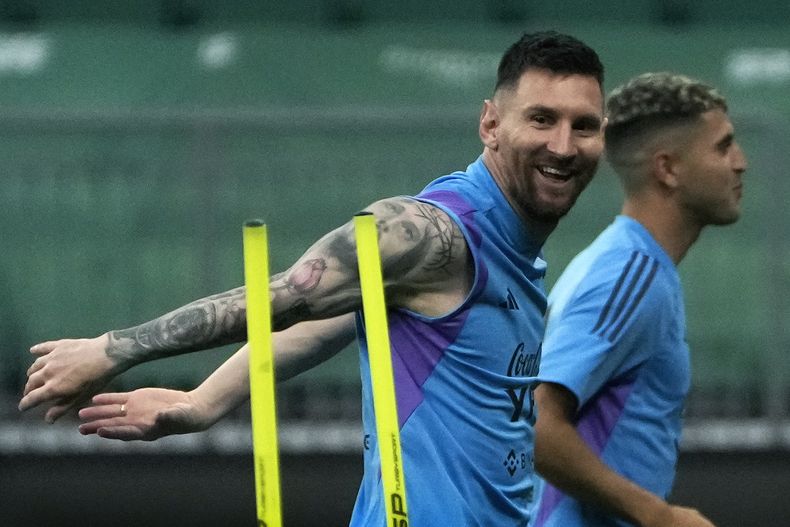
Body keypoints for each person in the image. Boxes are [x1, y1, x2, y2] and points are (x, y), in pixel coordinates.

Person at [19, 31, 606, 526]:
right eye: (541, 119)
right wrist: (114, 349)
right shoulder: (433, 233)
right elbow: (290, 295)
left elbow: (323, 322)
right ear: (490, 123)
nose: (563, 145)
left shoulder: (513, 248)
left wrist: (205, 401)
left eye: (584, 125)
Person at [531, 72, 746, 527]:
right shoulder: (630, 275)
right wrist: (658, 515)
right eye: (723, 147)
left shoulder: (630, 265)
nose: (740, 163)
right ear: (668, 169)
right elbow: (536, 423)